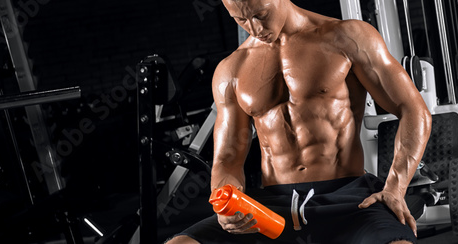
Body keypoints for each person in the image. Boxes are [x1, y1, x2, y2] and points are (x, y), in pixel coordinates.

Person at [167, 0, 431, 243]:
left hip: (350, 199)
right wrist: (227, 204)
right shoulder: (231, 69)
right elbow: (227, 158)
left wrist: (395, 188)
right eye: (241, 20)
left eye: (261, 15)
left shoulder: (347, 37)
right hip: (271, 206)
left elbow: (413, 109)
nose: (255, 28)